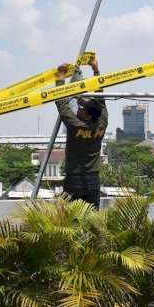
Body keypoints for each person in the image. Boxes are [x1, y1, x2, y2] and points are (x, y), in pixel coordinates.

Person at [55, 57, 108, 208]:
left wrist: (61, 76)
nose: (78, 108)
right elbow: (101, 100)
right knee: (91, 218)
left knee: (69, 219)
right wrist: (96, 70)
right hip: (93, 180)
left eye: (82, 108)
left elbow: (60, 102)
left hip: (74, 179)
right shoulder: (102, 123)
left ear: (88, 115)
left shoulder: (75, 125)